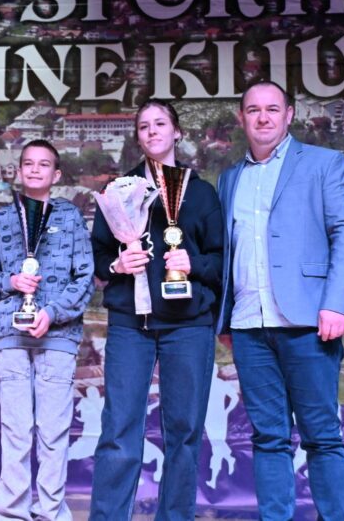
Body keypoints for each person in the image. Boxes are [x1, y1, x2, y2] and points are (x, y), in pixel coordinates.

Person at [217, 80, 344, 519]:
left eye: (272, 109)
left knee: (322, 436)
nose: (263, 117)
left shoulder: (324, 163)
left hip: (309, 322)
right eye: (253, 110)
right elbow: (227, 251)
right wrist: (226, 318)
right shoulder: (229, 178)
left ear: (289, 115)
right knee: (268, 439)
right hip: (248, 325)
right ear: (241, 118)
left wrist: (335, 303)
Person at [88, 99, 224, 521]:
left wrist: (192, 263)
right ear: (138, 137)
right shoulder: (119, 191)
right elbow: (97, 257)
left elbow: (220, 261)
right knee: (119, 429)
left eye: (160, 123)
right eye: (144, 126)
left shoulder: (201, 192)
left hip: (189, 325)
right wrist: (117, 265)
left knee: (184, 431)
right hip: (131, 323)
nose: (152, 131)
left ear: (176, 132)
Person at [0, 139, 95, 521]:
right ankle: (11, 514)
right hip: (12, 335)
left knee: (52, 431)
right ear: (19, 171)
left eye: (44, 164)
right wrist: (10, 282)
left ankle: (50, 513)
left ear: (56, 175)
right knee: (16, 430)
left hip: (58, 336)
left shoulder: (71, 217)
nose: (35, 169)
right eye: (28, 163)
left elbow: (85, 278)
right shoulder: (2, 219)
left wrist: (53, 312)